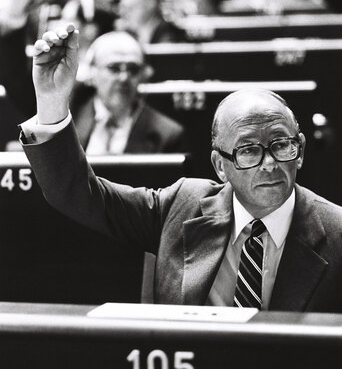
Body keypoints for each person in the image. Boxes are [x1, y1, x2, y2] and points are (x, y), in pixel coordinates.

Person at [19, 23, 342, 311]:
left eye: (282, 145)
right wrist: (52, 102)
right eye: (248, 151)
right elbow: (76, 194)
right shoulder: (182, 205)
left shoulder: (337, 232)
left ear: (299, 151)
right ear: (220, 165)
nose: (269, 164)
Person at [0, 0, 186, 155]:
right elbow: (16, 82)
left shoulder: (168, 134)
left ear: (145, 74)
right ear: (92, 73)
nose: (123, 78)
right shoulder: (70, 109)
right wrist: (16, 7)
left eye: (133, 69)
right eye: (114, 68)